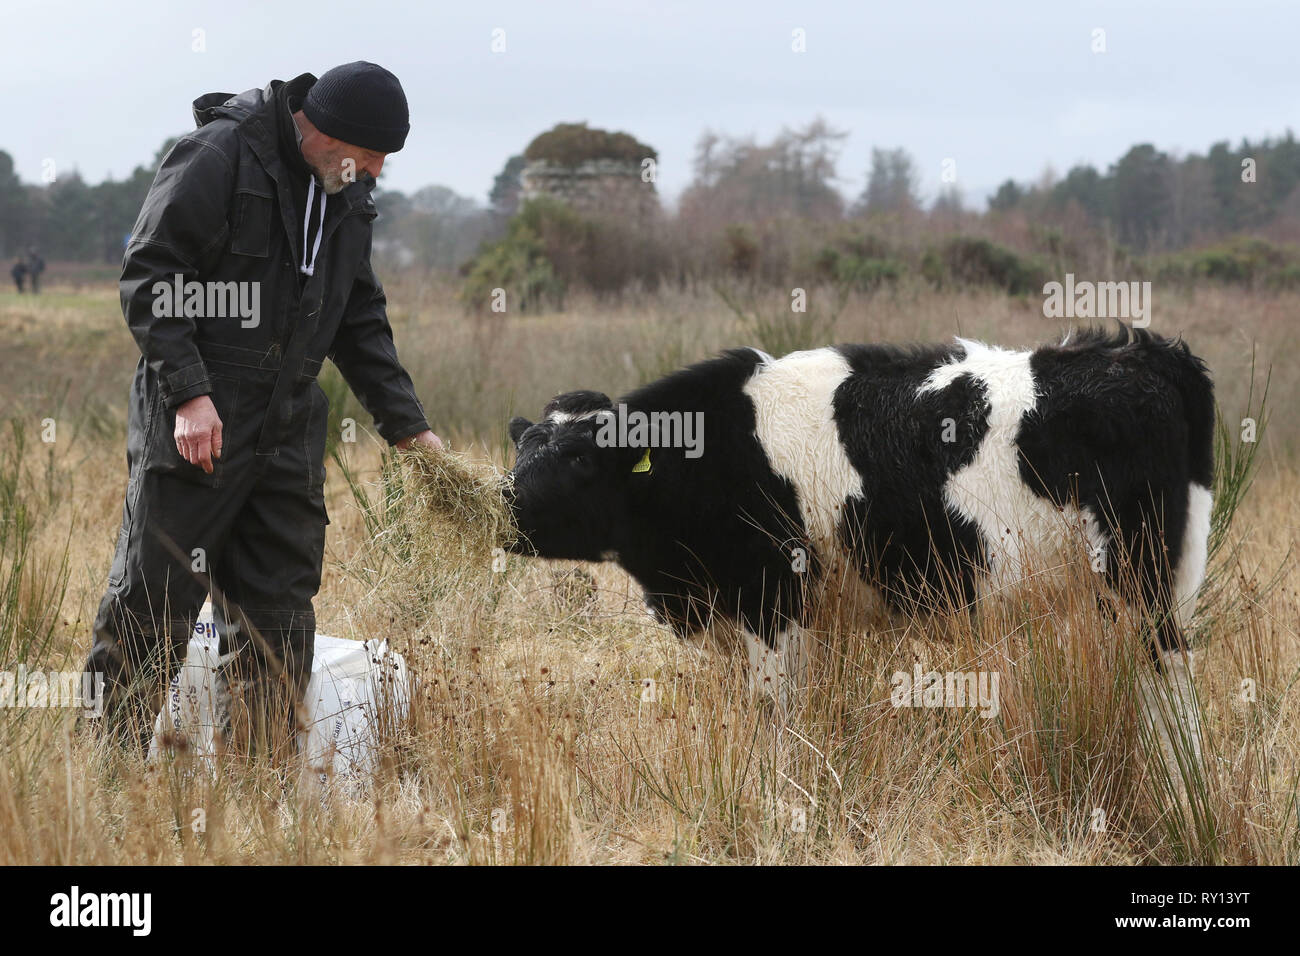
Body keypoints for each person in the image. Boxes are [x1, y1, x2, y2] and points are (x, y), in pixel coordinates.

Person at [84, 62, 442, 755]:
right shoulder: (220, 155)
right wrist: (190, 393)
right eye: (369, 156)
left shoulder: (346, 193)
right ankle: (104, 774)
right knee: (154, 600)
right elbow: (152, 276)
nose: (373, 172)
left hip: (287, 428)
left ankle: (260, 792)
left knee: (277, 611)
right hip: (199, 416)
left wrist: (410, 428)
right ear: (327, 132)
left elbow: (358, 318)